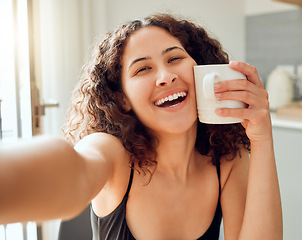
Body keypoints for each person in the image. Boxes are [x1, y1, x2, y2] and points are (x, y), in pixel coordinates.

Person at [0, 13, 282, 240]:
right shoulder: (113, 154)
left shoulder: (226, 158)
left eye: (174, 58)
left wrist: (262, 138)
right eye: (143, 69)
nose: (166, 76)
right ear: (122, 99)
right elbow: (72, 171)